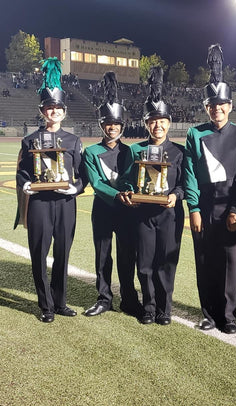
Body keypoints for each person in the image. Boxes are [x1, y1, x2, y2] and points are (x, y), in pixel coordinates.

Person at [184, 44, 236, 334]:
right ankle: (209, 314)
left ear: (230, 106)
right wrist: (195, 209)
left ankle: (229, 316)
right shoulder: (195, 133)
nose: (216, 109)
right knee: (205, 261)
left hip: (231, 208)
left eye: (221, 105)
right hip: (205, 206)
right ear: (206, 108)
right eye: (211, 106)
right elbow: (189, 172)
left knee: (231, 263)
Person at [15, 57, 86, 323]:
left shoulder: (74, 140)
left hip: (65, 204)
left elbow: (83, 175)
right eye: (49, 108)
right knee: (39, 255)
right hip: (40, 204)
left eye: (57, 107)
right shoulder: (29, 140)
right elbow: (22, 172)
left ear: (64, 111)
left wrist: (74, 188)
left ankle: (60, 302)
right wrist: (26, 185)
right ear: (42, 111)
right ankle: (45, 305)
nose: (53, 112)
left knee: (62, 254)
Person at [120, 66, 184, 325]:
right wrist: (128, 192)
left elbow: (185, 184)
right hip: (143, 214)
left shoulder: (180, 152)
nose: (157, 126)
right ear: (146, 124)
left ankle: (164, 309)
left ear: (169, 123)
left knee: (166, 263)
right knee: (144, 262)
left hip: (169, 214)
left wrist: (176, 196)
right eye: (152, 121)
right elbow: (126, 178)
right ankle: (148, 307)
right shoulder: (135, 150)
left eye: (162, 121)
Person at [83, 72, 140, 317]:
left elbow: (131, 177)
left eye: (116, 124)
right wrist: (117, 195)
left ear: (122, 126)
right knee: (103, 256)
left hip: (127, 210)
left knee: (128, 256)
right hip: (104, 210)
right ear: (101, 125)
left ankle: (129, 299)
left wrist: (127, 193)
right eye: (108, 124)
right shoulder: (90, 151)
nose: (112, 127)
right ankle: (104, 298)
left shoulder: (131, 151)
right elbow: (95, 182)